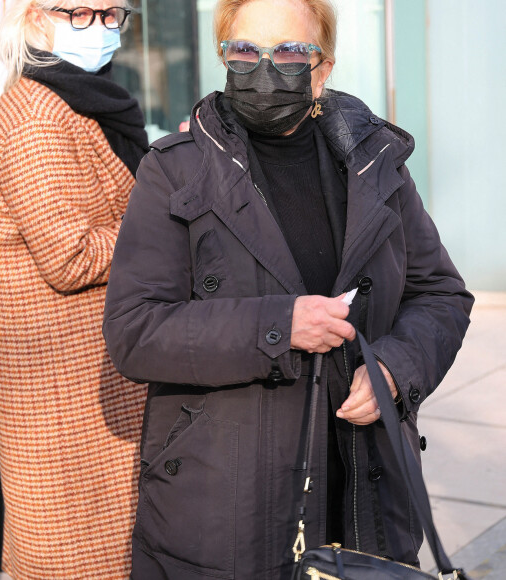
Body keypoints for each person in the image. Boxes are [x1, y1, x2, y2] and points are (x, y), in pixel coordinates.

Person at [102, 0, 474, 578]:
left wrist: (397, 370)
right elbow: (135, 331)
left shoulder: (375, 162)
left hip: (364, 499)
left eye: (290, 52)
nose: (265, 68)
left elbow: (441, 294)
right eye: (245, 51)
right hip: (227, 509)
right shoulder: (174, 170)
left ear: (322, 69)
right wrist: (278, 327)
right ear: (223, 58)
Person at [0, 1, 148, 578]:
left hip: (94, 386)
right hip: (63, 398)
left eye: (110, 15)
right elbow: (69, 256)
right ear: (34, 17)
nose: (98, 29)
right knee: (76, 560)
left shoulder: (80, 99)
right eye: (79, 13)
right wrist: (165, 224)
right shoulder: (37, 115)